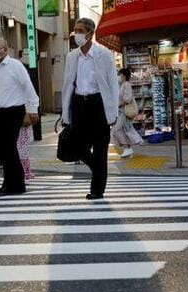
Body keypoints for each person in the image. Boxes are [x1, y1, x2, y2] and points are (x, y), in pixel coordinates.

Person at [61, 17, 120, 199]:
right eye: (75, 30)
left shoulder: (104, 54)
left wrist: (113, 112)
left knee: (101, 148)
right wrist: (65, 112)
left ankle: (97, 190)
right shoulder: (72, 56)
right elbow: (67, 84)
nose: (77, 34)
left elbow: (112, 84)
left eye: (80, 31)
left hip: (98, 103)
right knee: (77, 146)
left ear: (90, 33)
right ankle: (98, 168)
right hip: (79, 104)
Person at [0, 38, 39, 194]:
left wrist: (33, 108)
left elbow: (28, 86)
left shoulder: (15, 65)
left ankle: (18, 184)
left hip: (15, 111)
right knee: (2, 147)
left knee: (9, 146)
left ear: (5, 50)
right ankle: (8, 181)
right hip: (0, 112)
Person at [111, 67, 143, 158]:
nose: (119, 76)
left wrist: (119, 105)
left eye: (120, 74)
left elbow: (127, 99)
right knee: (124, 130)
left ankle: (127, 147)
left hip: (124, 112)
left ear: (124, 76)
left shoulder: (126, 85)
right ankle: (127, 148)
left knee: (117, 130)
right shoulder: (122, 85)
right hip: (121, 112)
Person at [18, 109, 34, 180]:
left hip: (19, 122)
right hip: (23, 121)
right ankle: (25, 171)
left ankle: (25, 171)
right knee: (23, 149)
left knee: (22, 149)